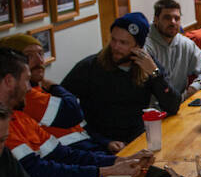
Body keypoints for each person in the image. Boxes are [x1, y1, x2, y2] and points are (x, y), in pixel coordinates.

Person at [0, 47, 150, 177]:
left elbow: (63, 154)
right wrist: (108, 171)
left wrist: (119, 161)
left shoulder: (20, 117)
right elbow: (40, 173)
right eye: (26, 80)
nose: (29, 88)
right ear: (9, 81)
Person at [62, 12, 182, 143]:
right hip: (98, 143)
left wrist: (156, 74)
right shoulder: (90, 67)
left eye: (123, 42)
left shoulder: (147, 65)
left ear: (138, 47)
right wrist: (102, 141)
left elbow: (172, 106)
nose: (115, 47)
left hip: (136, 139)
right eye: (113, 40)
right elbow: (61, 106)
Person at [0, 34, 120, 153]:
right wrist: (55, 87)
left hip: (92, 149)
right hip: (75, 156)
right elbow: (72, 112)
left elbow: (81, 124)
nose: (39, 60)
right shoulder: (27, 97)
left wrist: (106, 142)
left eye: (40, 53)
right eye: (29, 56)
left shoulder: (42, 89)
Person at [145, 0, 201, 100]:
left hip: (179, 105)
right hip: (151, 110)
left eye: (177, 18)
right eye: (167, 18)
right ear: (156, 20)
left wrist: (193, 89)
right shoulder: (145, 45)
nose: (173, 22)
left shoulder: (186, 44)